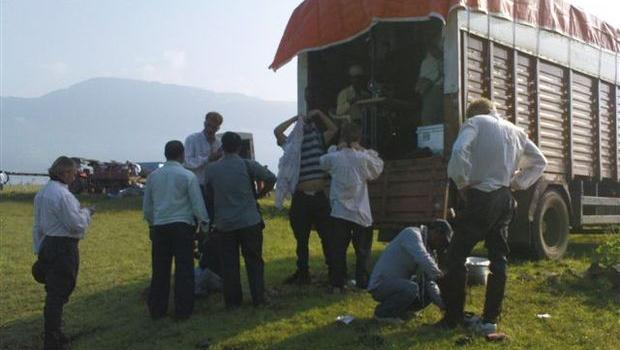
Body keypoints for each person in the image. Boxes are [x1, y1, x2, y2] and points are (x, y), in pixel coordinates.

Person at [439, 98, 547, 334]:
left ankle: (454, 317)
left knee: (456, 256)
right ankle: (489, 320)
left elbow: (458, 151)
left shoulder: (474, 123)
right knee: (499, 259)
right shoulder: (516, 131)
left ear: (473, 113)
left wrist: (462, 183)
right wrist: (517, 182)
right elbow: (540, 162)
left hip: (481, 197)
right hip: (505, 198)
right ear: (493, 110)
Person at [205, 132, 276, 308]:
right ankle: (258, 297)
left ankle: (233, 301)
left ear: (222, 147)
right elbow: (271, 178)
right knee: (254, 260)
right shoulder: (247, 165)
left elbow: (209, 194)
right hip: (249, 221)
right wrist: (258, 194)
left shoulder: (212, 169)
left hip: (225, 223)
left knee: (229, 263)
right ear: (239, 148)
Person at [274, 96, 338, 285]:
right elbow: (277, 131)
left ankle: (333, 271)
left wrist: (318, 113)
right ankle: (303, 273)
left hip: (318, 197)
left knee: (327, 236)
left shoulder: (318, 139)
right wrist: (296, 118)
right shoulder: (291, 146)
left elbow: (333, 128)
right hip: (301, 197)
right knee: (301, 239)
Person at [32, 156, 94, 349]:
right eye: (73, 173)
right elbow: (75, 224)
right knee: (59, 292)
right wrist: (87, 213)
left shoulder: (42, 194)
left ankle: (54, 331)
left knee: (54, 291)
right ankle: (53, 336)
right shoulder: (63, 196)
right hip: (63, 246)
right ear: (64, 173)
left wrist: (39, 248)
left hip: (48, 243)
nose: (75, 177)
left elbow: (38, 226)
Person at [143, 140, 209, 320]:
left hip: (160, 226)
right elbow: (197, 204)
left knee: (160, 269)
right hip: (182, 226)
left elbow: (147, 207)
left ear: (165, 154)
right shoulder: (187, 176)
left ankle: (157, 309)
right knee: (184, 269)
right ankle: (183, 309)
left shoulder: (153, 177)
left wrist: (151, 224)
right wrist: (204, 225)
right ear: (182, 155)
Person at [319, 122, 383, 291]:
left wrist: (335, 148)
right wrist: (362, 149)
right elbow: (378, 166)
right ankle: (362, 282)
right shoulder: (363, 158)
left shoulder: (334, 157)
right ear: (359, 138)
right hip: (361, 211)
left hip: (339, 211)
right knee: (362, 251)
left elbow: (322, 162)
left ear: (341, 137)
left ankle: (338, 282)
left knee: (338, 250)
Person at [367, 221, 453, 323]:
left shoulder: (430, 250)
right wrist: (441, 277)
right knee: (412, 288)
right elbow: (422, 257)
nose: (441, 245)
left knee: (425, 288)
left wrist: (443, 305)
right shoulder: (411, 234)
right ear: (436, 232)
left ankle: (401, 311)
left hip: (397, 285)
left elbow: (430, 281)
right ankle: (382, 313)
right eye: (442, 240)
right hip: (380, 285)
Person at [184, 111, 224, 277]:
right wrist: (208, 158)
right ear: (204, 123)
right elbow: (188, 162)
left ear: (218, 127)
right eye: (208, 125)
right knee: (193, 223)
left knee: (212, 225)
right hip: (196, 186)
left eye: (213, 127)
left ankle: (209, 261)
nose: (210, 129)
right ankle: (189, 259)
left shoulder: (219, 142)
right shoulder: (192, 139)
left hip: (212, 188)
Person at [415, 30, 443, 126]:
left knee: (428, 118)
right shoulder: (429, 53)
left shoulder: (438, 42)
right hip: (429, 87)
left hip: (435, 85)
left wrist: (429, 43)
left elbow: (439, 55)